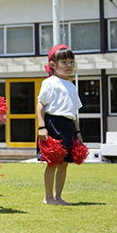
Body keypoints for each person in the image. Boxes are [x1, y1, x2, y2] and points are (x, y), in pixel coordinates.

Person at [36, 44, 84, 206]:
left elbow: (74, 111)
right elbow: (40, 105)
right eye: (64, 62)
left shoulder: (72, 85)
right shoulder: (50, 82)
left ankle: (58, 197)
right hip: (53, 123)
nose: (69, 65)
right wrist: (42, 127)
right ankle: (48, 197)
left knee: (64, 163)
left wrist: (77, 131)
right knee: (53, 162)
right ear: (53, 65)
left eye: (71, 61)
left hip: (68, 125)